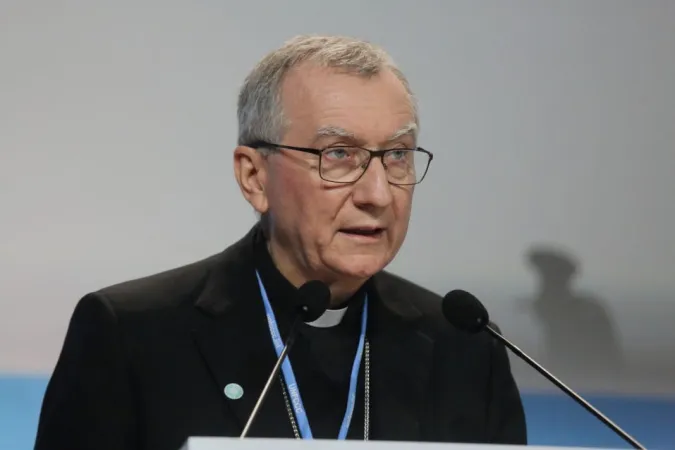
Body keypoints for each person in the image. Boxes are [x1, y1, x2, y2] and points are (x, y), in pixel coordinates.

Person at [34, 35, 526, 450]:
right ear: (254, 177)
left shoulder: (464, 348)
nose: (378, 193)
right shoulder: (131, 335)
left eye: (397, 155)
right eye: (338, 154)